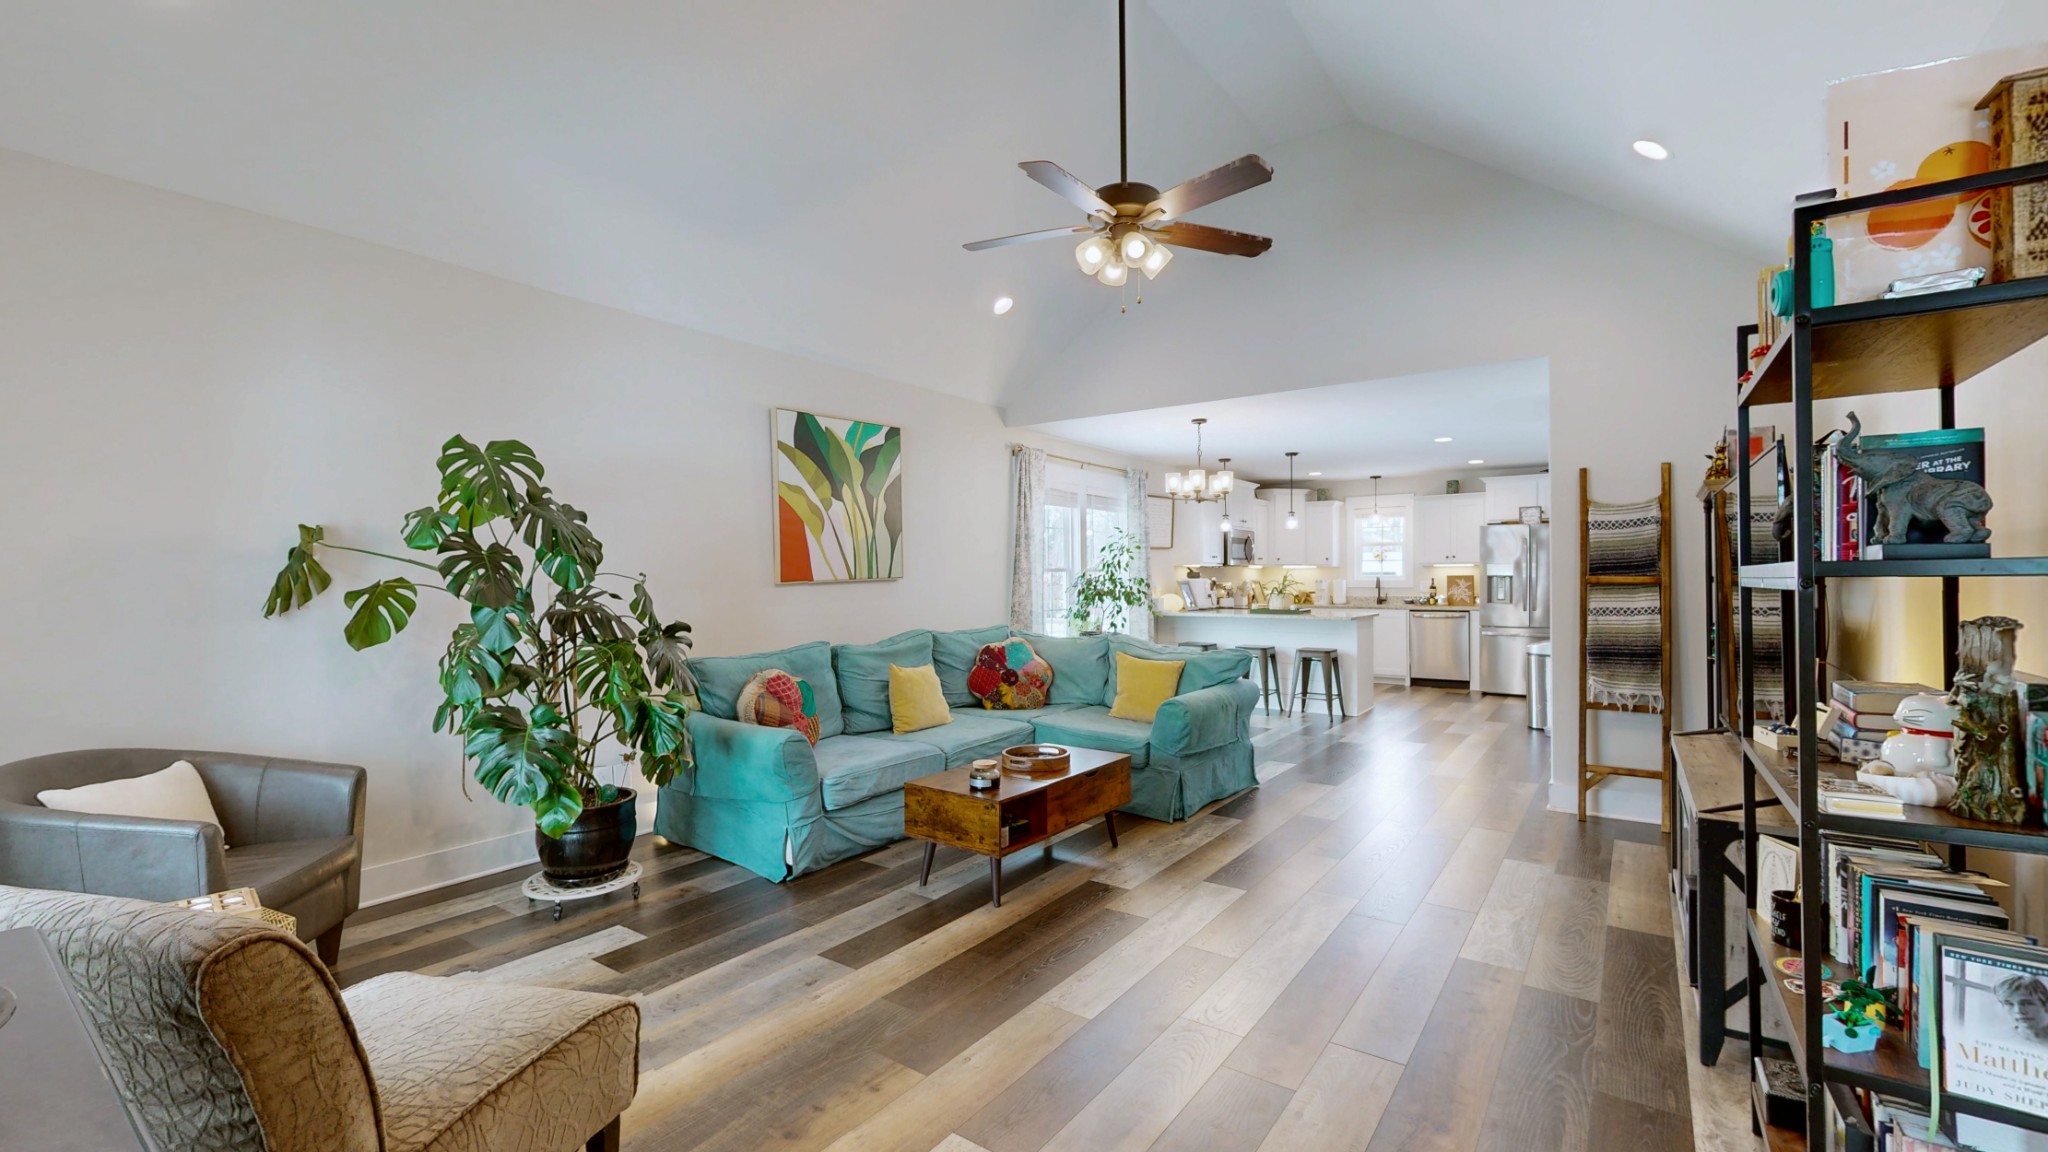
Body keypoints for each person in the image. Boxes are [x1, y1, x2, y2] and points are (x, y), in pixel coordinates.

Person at [1994, 973, 2048, 1043]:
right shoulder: (2000, 1040)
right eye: (2009, 1004)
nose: (2018, 1011)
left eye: (2026, 1003)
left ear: (2045, 1004)